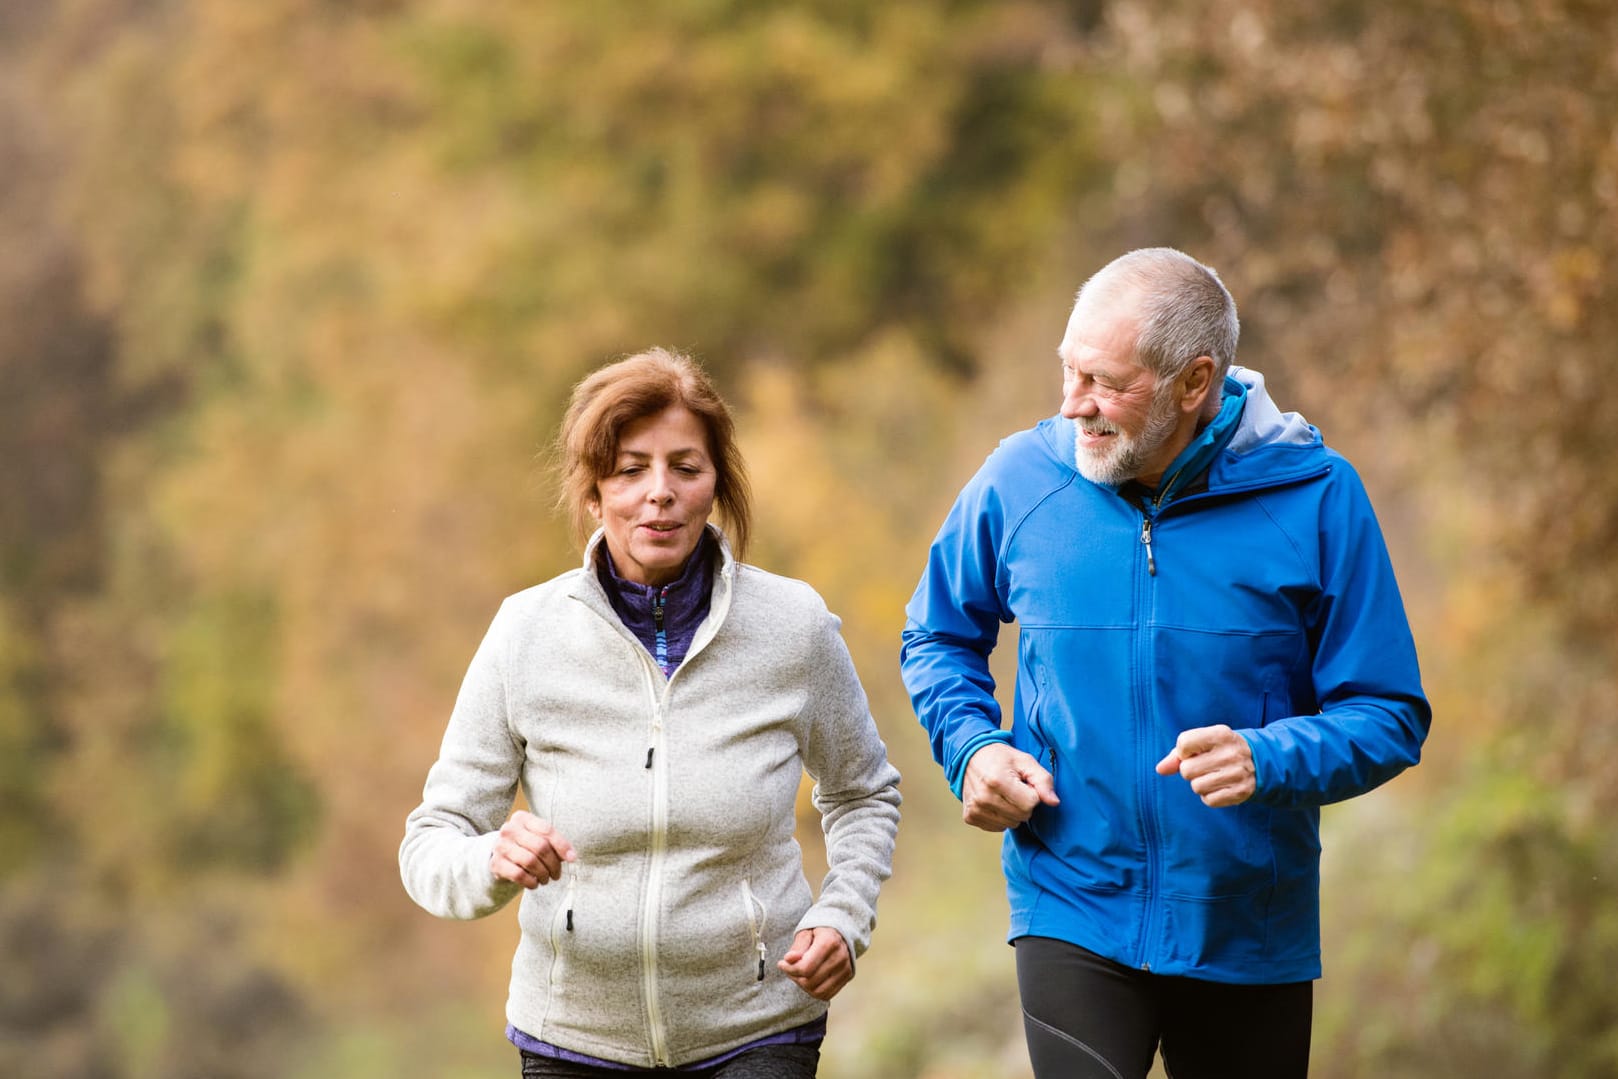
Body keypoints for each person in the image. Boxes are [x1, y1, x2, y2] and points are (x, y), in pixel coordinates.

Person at [900, 248, 1431, 1079]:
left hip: (1247, 927)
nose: (1075, 406)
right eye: (1069, 373)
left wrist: (1268, 755)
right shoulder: (1020, 480)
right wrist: (972, 747)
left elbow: (1389, 712)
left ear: (1194, 383)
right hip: (1072, 903)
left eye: (1105, 383)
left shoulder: (1318, 497)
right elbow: (936, 635)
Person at [401, 347, 901, 1079]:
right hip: (572, 1036)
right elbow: (431, 841)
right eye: (631, 469)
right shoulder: (525, 633)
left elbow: (864, 792)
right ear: (595, 494)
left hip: (758, 1026)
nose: (658, 492)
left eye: (685, 468)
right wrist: (491, 859)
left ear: (714, 487)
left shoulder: (793, 626)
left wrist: (842, 914)